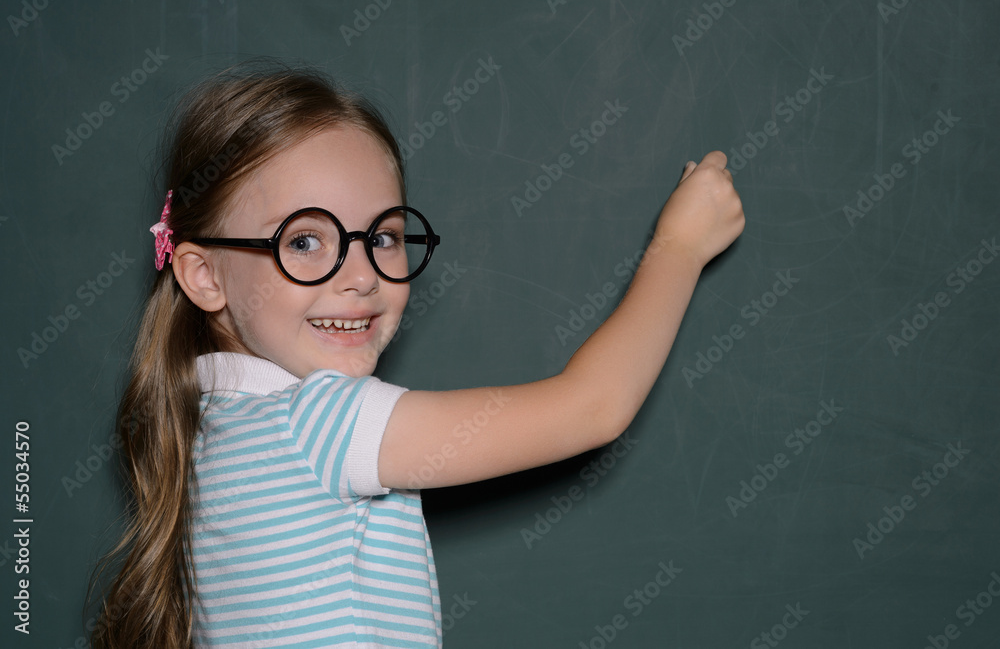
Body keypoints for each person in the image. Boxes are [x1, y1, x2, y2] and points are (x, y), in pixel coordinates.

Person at [89, 59, 744, 648]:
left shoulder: (214, 420)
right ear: (204, 275)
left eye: (384, 236)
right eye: (305, 241)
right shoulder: (314, 422)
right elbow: (593, 408)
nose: (363, 274)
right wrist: (679, 248)